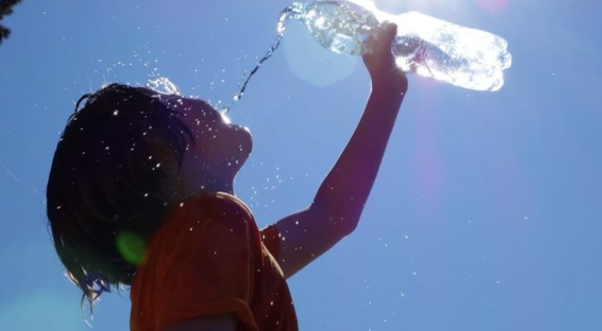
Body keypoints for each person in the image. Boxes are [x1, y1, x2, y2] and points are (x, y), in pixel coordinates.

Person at [46, 22, 408, 331]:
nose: (188, 97)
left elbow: (333, 215)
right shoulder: (205, 225)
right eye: (170, 100)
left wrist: (388, 92)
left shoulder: (207, 252)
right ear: (160, 158)